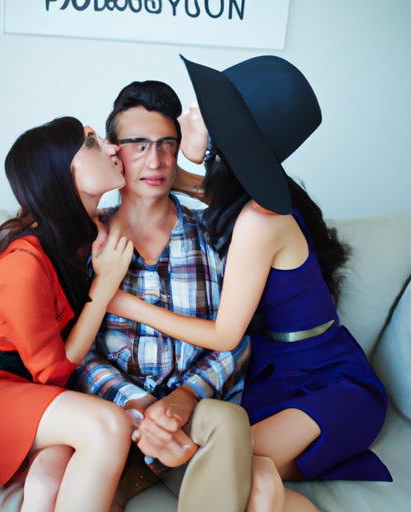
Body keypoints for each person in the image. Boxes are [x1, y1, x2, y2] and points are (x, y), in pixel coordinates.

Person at [108, 56, 392, 511]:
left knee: (235, 469)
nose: (188, 116)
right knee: (241, 473)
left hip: (327, 384)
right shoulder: (246, 196)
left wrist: (123, 303)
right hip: (273, 375)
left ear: (226, 135)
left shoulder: (260, 222)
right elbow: (207, 190)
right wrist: (155, 172)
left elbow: (225, 335)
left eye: (201, 112)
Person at [72, 80, 253, 511]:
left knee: (229, 421)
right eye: (138, 145)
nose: (155, 161)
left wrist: (182, 399)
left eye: (166, 145)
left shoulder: (217, 233)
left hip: (190, 413)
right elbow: (75, 346)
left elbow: (238, 334)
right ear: (113, 152)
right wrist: (137, 404)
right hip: (111, 414)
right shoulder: (86, 238)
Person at [0, 116, 135, 512]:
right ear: (61, 172)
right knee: (110, 425)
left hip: (38, 396)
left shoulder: (85, 233)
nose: (112, 147)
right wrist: (104, 286)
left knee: (50, 481)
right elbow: (53, 371)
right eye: (91, 142)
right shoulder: (24, 262)